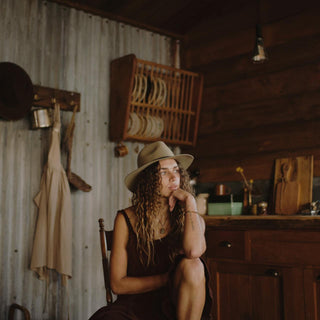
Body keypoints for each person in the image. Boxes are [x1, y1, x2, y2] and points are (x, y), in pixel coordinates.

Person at [90, 141, 212, 320]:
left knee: (194, 265)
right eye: (163, 172)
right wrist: (165, 279)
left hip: (178, 304)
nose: (173, 177)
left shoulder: (190, 214)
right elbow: (117, 284)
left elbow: (194, 251)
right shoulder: (125, 219)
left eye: (176, 170)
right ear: (148, 179)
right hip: (134, 306)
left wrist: (190, 202)